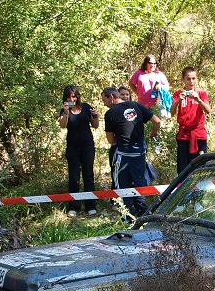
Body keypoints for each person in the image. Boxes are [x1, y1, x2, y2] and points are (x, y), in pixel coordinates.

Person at [101, 87, 158, 218]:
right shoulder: (136, 105)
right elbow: (157, 121)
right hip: (140, 152)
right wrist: (154, 132)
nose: (104, 104)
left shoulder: (110, 113)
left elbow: (111, 140)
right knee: (139, 183)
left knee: (123, 185)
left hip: (124, 154)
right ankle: (144, 215)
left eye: (104, 100)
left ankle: (129, 216)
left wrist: (121, 141)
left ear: (111, 97)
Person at [59, 85, 99, 217]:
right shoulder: (64, 111)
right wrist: (65, 113)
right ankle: (74, 206)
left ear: (78, 96)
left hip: (87, 145)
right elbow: (63, 125)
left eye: (74, 96)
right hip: (72, 147)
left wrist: (96, 116)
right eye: (69, 96)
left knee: (88, 175)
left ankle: (90, 205)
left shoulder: (86, 107)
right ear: (65, 98)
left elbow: (95, 125)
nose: (72, 99)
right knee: (74, 176)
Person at [171, 67, 211, 173]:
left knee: (200, 166)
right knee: (183, 168)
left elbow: (208, 110)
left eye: (193, 78)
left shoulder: (201, 93)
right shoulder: (178, 94)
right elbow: (172, 112)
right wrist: (179, 100)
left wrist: (198, 99)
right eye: (188, 79)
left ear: (197, 79)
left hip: (198, 134)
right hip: (184, 135)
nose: (191, 81)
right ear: (183, 80)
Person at [129, 55, 169, 138]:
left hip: (156, 105)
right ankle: (144, 141)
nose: (153, 65)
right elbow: (131, 83)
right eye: (150, 63)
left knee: (157, 125)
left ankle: (156, 145)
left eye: (155, 63)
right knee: (142, 125)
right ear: (145, 63)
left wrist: (160, 88)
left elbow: (166, 87)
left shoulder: (159, 74)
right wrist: (138, 92)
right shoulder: (139, 73)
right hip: (142, 104)